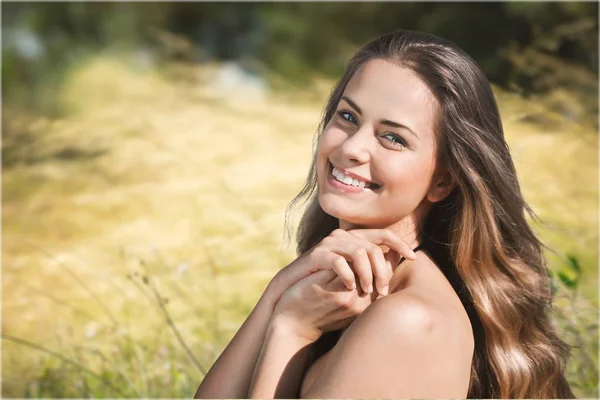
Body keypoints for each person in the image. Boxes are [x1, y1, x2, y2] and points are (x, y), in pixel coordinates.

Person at [194, 29, 575, 399]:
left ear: (442, 181)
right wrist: (279, 292)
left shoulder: (406, 320)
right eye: (347, 117)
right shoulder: (343, 287)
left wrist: (290, 328)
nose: (353, 147)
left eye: (393, 138)